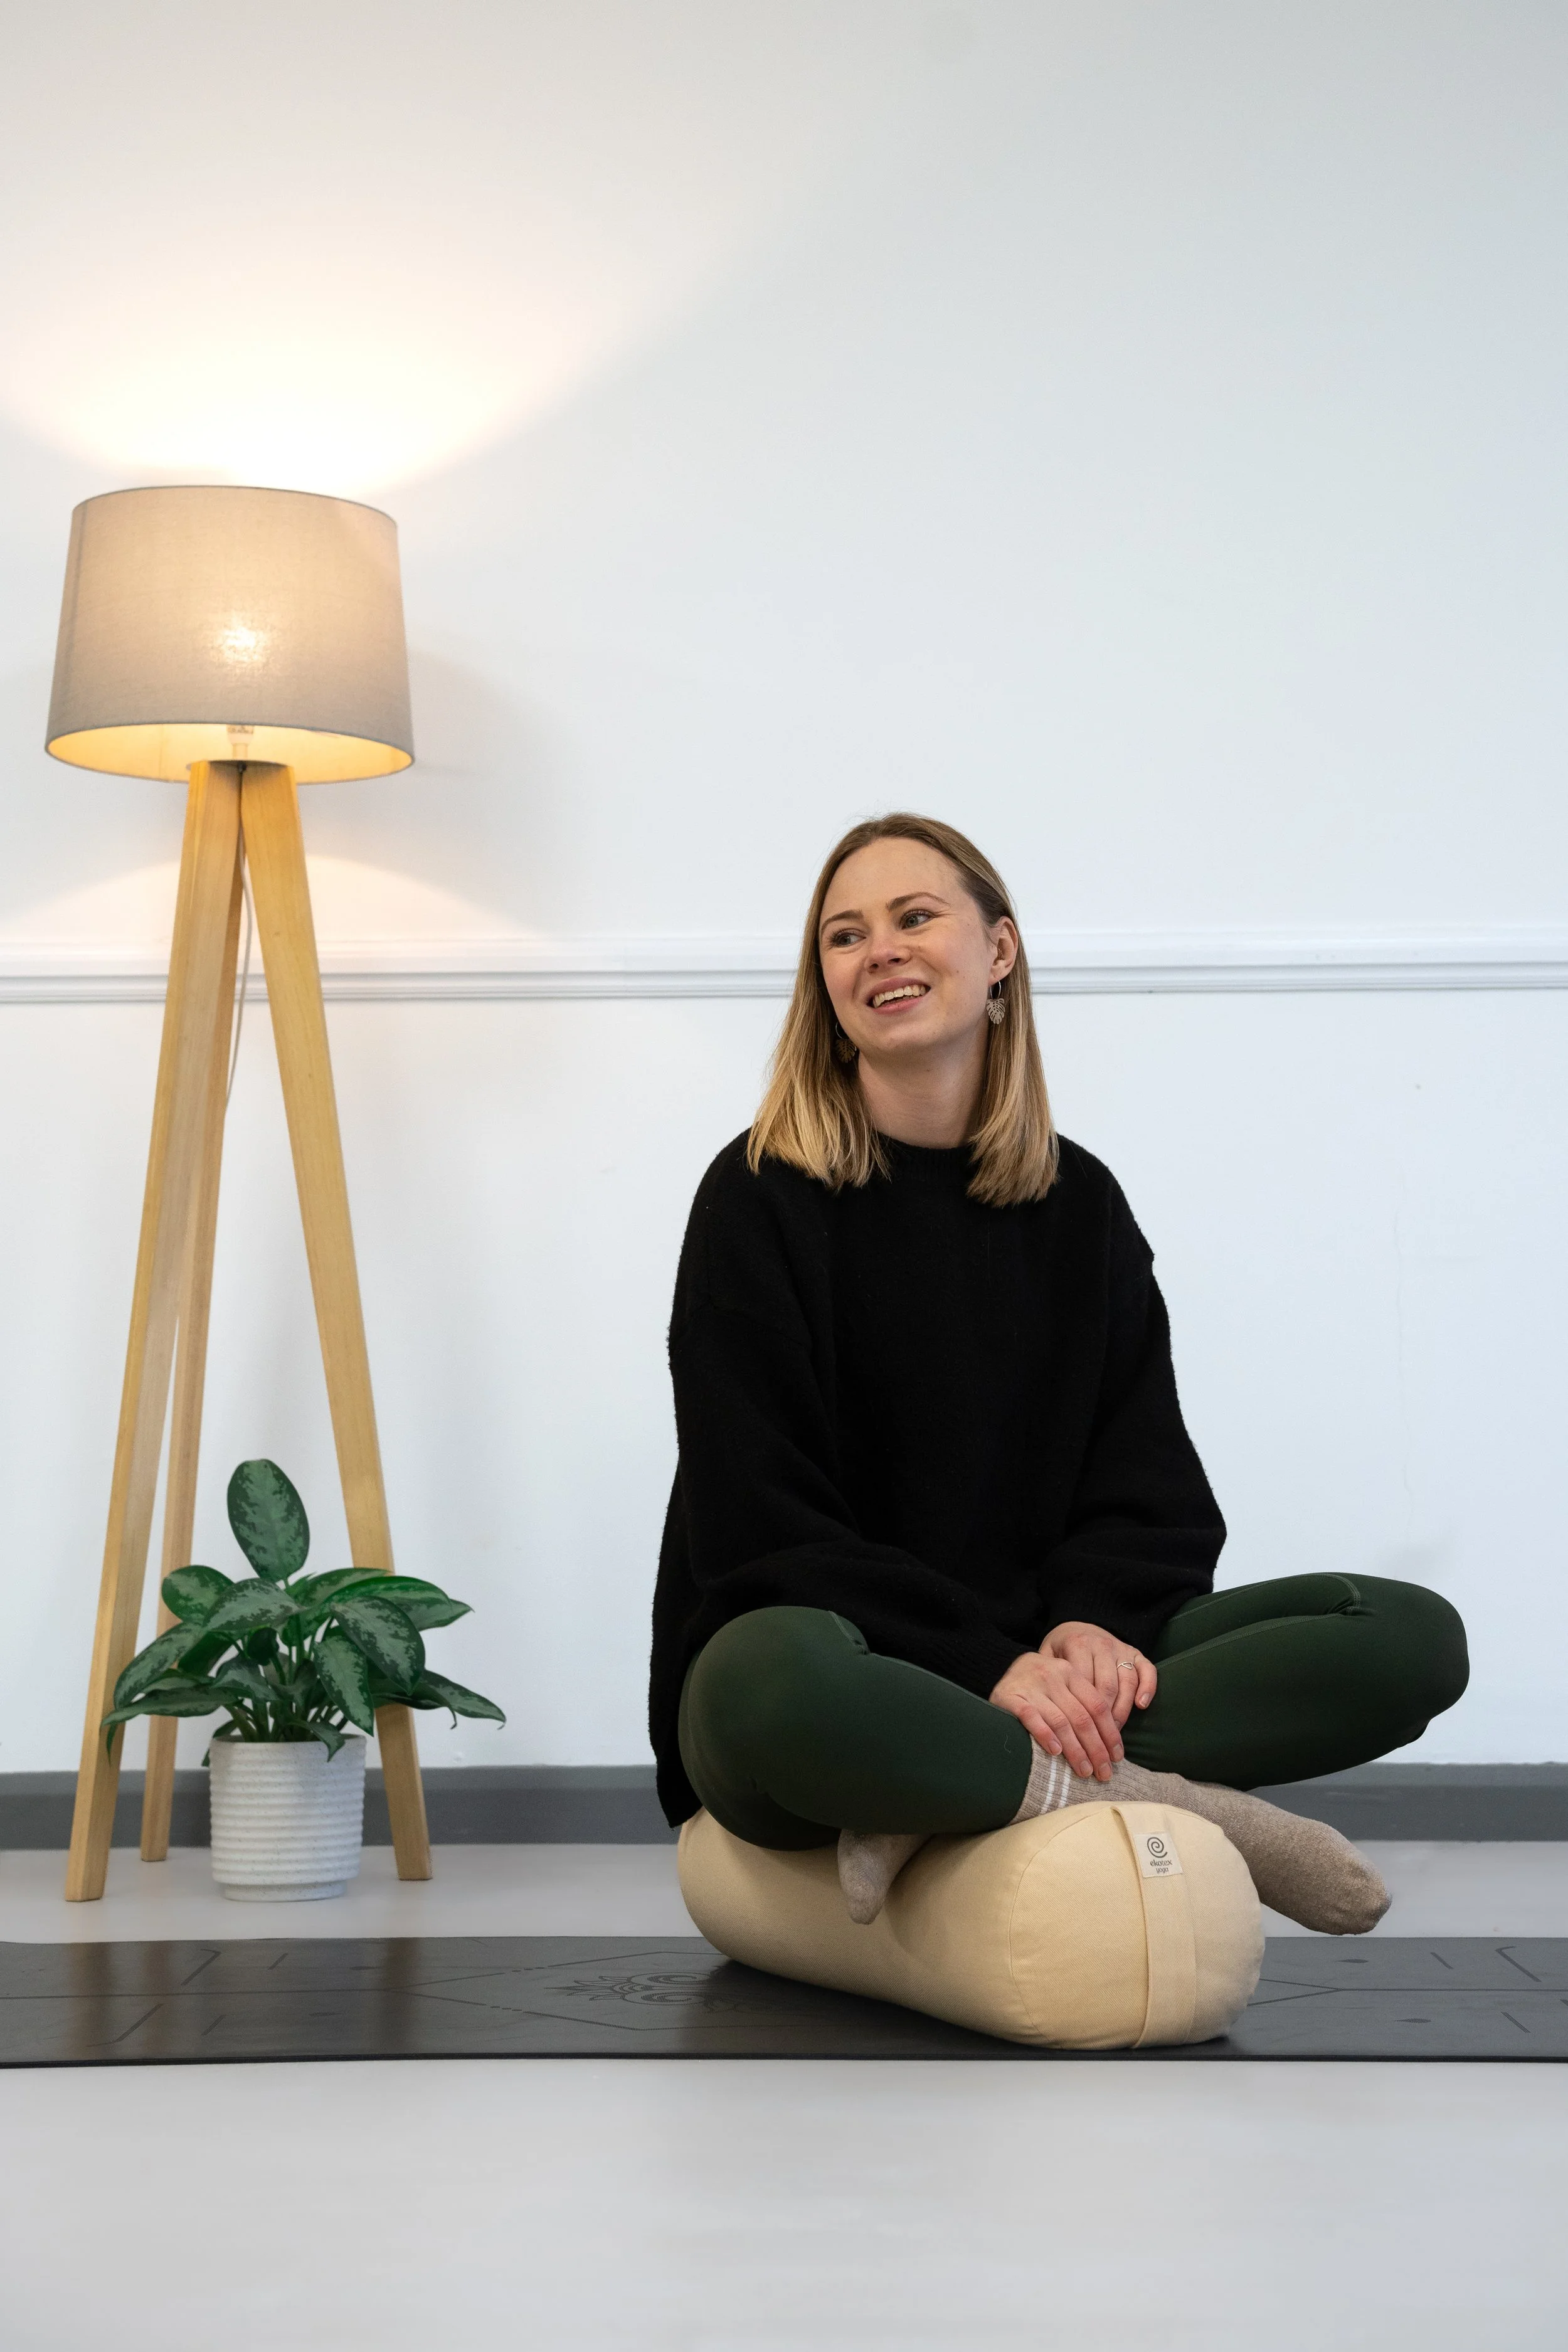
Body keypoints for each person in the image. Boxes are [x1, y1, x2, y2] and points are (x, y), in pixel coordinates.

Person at [649, 814, 1468, 1932]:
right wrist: (986, 1664)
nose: (878, 949)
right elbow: (759, 1526)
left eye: (914, 916)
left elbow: (1152, 1489)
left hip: (1047, 1660)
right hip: (837, 1670)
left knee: (1405, 1634)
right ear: (825, 986)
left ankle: (944, 1788)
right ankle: (1166, 1799)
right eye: (844, 936)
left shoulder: (1080, 1205)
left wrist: (1091, 1623)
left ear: (1000, 951)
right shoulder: (755, 1198)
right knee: (771, 1679)